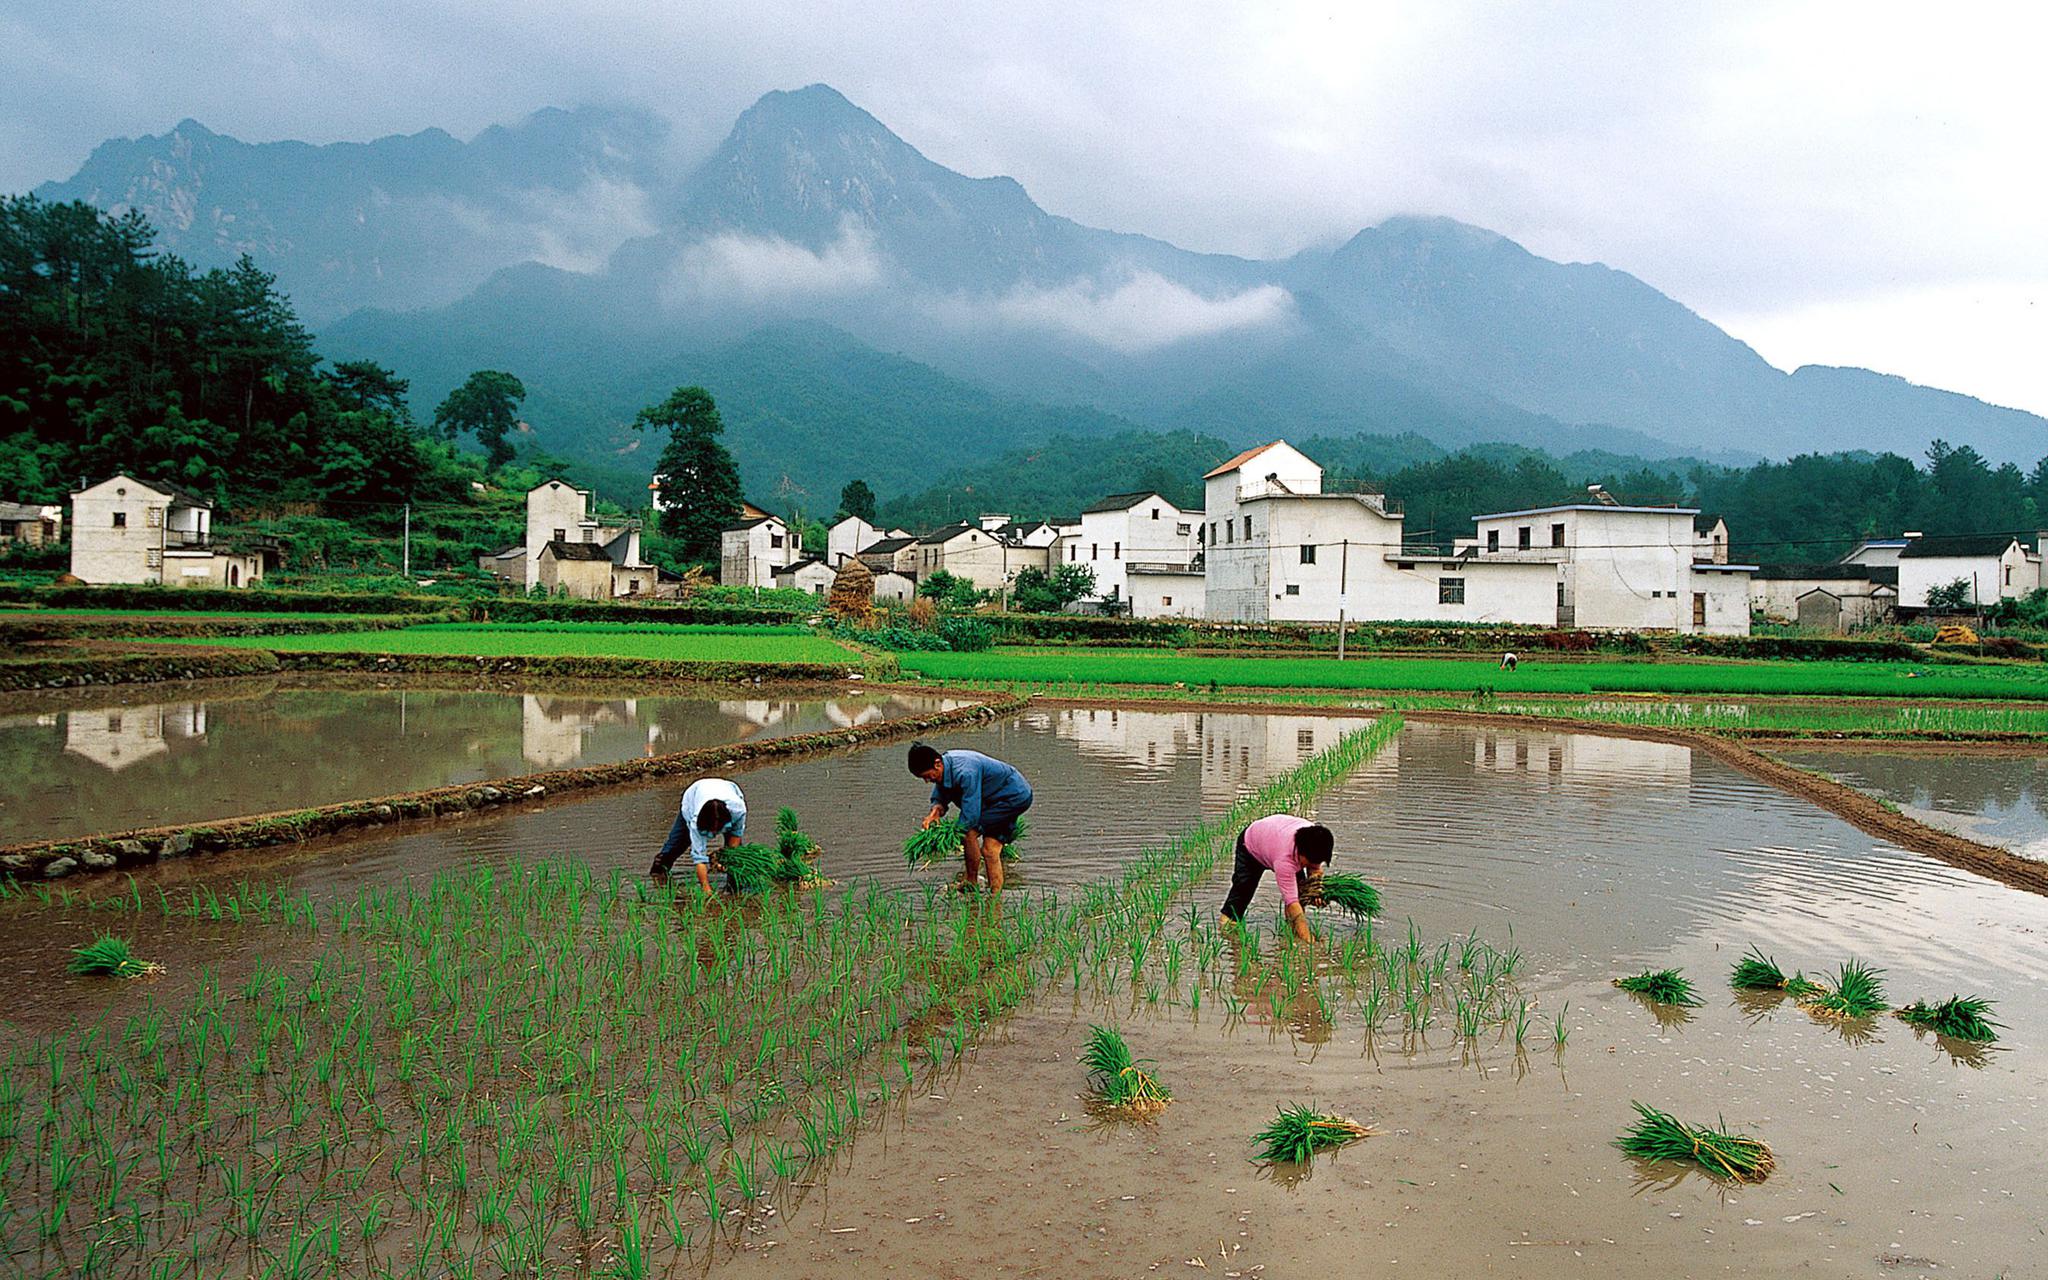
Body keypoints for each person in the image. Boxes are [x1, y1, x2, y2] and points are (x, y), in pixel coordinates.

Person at [908, 742, 1032, 894]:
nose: (927, 781)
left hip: (1012, 796)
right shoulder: (946, 766)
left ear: (937, 764)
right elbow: (942, 792)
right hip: (994, 798)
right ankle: (988, 894)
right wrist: (935, 811)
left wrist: (951, 834)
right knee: (990, 849)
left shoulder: (966, 772)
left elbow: (971, 816)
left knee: (971, 834)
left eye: (927, 776)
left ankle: (985, 891)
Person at [1219, 813, 1335, 945]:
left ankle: (1292, 933)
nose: (1314, 865)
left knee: (1301, 892)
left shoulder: (1316, 838)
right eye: (1310, 861)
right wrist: (1309, 942)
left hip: (1273, 838)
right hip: (1251, 845)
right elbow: (1292, 902)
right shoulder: (1285, 860)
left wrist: (1316, 891)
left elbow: (1314, 870)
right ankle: (1226, 935)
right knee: (1242, 892)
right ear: (1301, 853)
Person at [650, 776, 747, 895]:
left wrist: (725, 859)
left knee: (735, 857)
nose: (714, 834)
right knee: (678, 843)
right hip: (693, 796)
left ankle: (734, 889)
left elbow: (734, 842)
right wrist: (707, 889)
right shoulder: (696, 821)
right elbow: (699, 859)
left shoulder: (738, 812)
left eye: (718, 830)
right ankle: (658, 872)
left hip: (727, 789)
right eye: (711, 830)